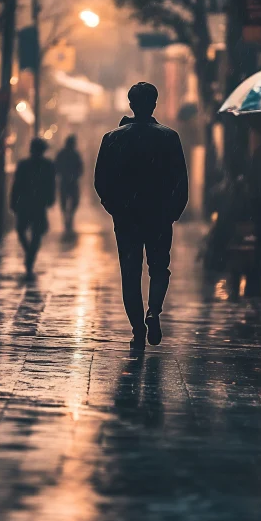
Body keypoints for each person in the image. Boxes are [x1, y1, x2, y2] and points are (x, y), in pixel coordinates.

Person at [94, 82, 188, 351]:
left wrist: (115, 207)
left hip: (127, 218)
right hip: (159, 216)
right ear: (154, 104)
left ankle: (138, 330)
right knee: (159, 268)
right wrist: (172, 211)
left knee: (130, 273)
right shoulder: (169, 137)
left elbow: (101, 181)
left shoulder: (113, 138)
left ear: (131, 104)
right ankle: (154, 310)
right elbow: (180, 179)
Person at [10, 137, 56, 278]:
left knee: (27, 231)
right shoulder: (45, 165)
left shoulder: (26, 165)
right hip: (35, 204)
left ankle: (30, 255)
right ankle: (30, 254)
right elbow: (51, 185)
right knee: (33, 232)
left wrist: (13, 201)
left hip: (29, 203)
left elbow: (16, 185)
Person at [55, 135, 84, 236]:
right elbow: (80, 168)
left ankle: (67, 218)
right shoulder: (75, 154)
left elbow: (56, 167)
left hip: (65, 182)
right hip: (71, 182)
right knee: (73, 202)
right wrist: (74, 175)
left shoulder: (62, 154)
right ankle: (69, 218)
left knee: (65, 202)